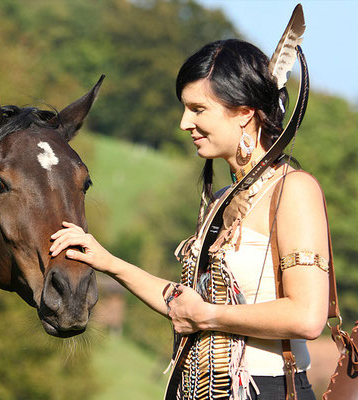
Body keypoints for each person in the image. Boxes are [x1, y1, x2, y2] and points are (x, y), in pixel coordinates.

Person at [49, 39, 329, 400]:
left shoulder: (294, 190)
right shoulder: (219, 201)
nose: (185, 123)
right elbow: (186, 304)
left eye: (198, 109)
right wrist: (107, 261)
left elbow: (307, 316)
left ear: (244, 112)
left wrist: (208, 316)